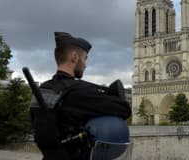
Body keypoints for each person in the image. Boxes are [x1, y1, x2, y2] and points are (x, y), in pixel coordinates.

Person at [30, 32, 132, 160]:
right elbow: (124, 109)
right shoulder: (78, 92)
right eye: (84, 59)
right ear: (74, 57)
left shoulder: (42, 90)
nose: (85, 65)